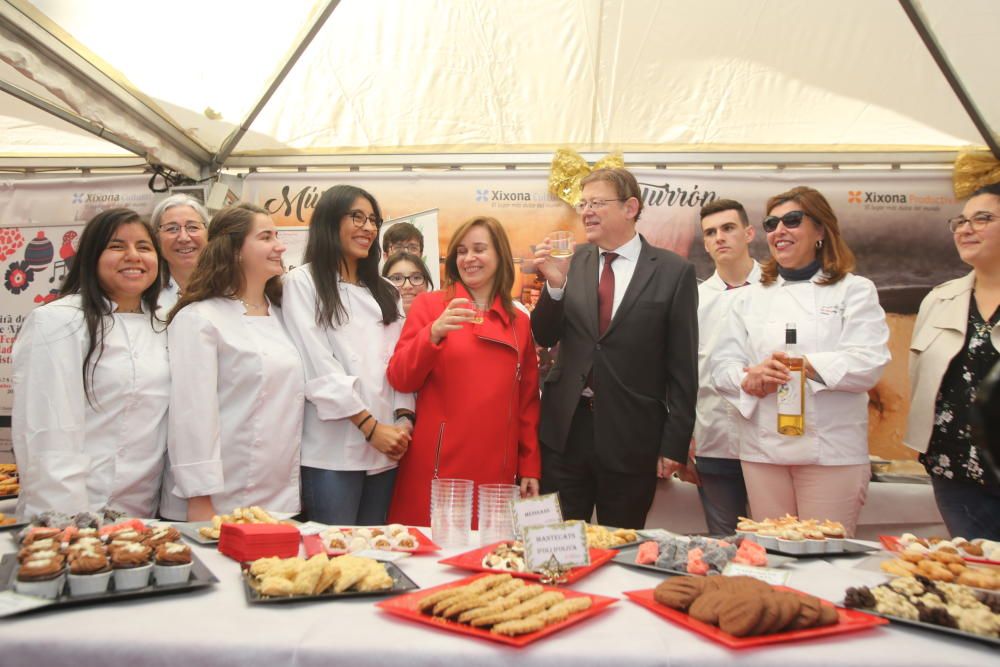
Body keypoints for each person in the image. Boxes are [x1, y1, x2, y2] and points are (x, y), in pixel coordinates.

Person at [711, 186, 890, 537]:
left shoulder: (854, 290)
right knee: (771, 554)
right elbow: (721, 367)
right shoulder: (747, 298)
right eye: (771, 223)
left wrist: (804, 366)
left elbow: (870, 360)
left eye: (792, 220)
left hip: (831, 453)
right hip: (762, 451)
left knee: (825, 555)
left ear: (821, 230)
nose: (780, 230)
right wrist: (751, 377)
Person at [531, 167, 698, 529]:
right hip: (566, 432)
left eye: (597, 202)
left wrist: (674, 444)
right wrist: (555, 287)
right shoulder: (571, 262)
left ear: (630, 207)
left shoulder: (673, 272)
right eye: (583, 203)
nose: (586, 211)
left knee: (622, 547)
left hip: (632, 436)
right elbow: (543, 335)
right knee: (556, 547)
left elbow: (683, 366)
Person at [12, 208, 168, 519]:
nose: (133, 256)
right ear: (91, 257)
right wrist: (66, 519)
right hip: (71, 508)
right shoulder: (59, 321)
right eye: (117, 246)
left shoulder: (164, 324)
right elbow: (48, 431)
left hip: (142, 512)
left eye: (144, 247)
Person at [387, 216, 540, 527]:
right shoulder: (430, 306)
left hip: (497, 468)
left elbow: (527, 404)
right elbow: (401, 376)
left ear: (499, 256)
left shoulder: (519, 322)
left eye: (479, 249)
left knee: (489, 557)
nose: (469, 258)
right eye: (461, 251)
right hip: (438, 464)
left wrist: (530, 467)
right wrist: (433, 333)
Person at [160, 204, 304, 521]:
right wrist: (200, 499)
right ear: (235, 250)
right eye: (266, 237)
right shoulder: (199, 318)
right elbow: (192, 416)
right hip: (216, 502)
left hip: (279, 498)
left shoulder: (282, 314)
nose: (279, 246)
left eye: (277, 236)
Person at [282, 185, 414, 525]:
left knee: (375, 555)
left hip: (387, 448)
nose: (368, 227)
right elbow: (317, 365)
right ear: (329, 220)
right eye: (357, 217)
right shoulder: (303, 282)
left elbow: (399, 361)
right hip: (333, 451)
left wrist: (403, 421)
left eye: (373, 219)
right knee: (335, 556)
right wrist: (371, 428)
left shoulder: (385, 291)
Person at [906, 182, 1000, 539]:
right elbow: (919, 378)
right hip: (955, 473)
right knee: (972, 579)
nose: (966, 228)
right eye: (960, 221)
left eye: (982, 219)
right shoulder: (940, 299)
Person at [690, 198, 761, 536]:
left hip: (772, 443)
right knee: (723, 542)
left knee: (775, 541)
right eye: (710, 232)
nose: (720, 237)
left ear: (748, 233)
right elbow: (685, 373)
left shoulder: (781, 291)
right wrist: (684, 439)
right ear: (704, 243)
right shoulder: (695, 300)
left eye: (728, 228)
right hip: (713, 440)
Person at [151, 194, 210, 311]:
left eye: (192, 227)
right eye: (172, 229)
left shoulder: (230, 288)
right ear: (156, 239)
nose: (184, 238)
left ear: (208, 234)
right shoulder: (145, 295)